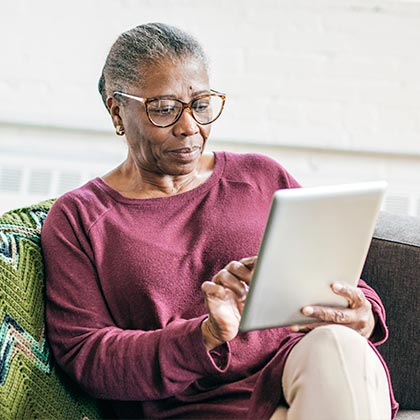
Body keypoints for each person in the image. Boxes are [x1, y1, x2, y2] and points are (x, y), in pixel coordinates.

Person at [41, 23, 398, 420]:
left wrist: (363, 312)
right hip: (200, 408)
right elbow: (86, 356)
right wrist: (206, 335)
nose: (189, 127)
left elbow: (342, 282)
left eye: (201, 104)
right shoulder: (80, 218)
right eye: (164, 109)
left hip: (305, 375)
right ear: (117, 111)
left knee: (340, 345)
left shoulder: (262, 177)